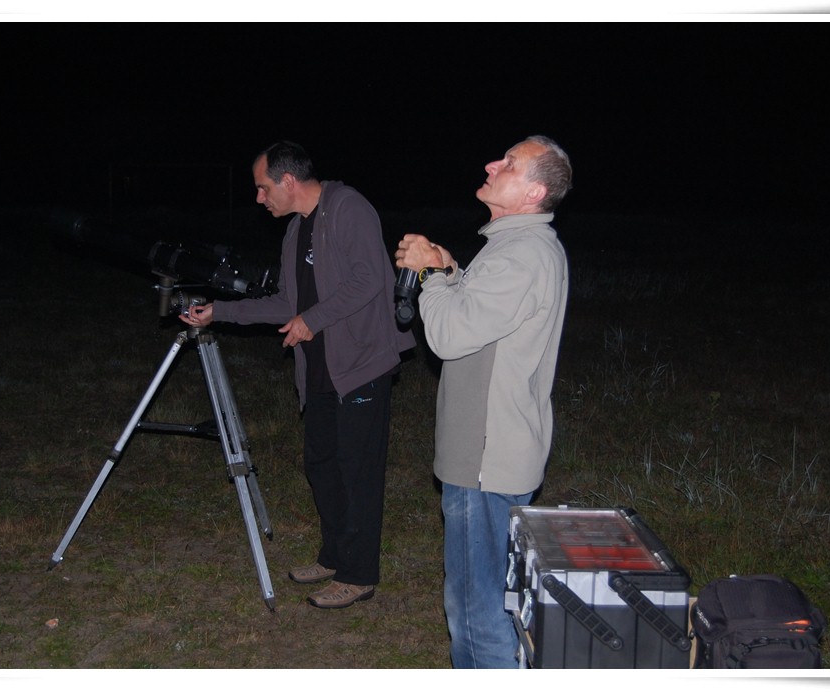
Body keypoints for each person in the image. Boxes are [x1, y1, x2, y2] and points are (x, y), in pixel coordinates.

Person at [180, 141, 415, 609]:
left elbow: (370, 278)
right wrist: (220, 311)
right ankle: (334, 557)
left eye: (263, 188)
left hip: (362, 364)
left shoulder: (348, 207)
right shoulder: (295, 231)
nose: (259, 198)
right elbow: (288, 303)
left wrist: (313, 319)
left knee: (357, 472)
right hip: (320, 369)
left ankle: (359, 575)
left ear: (288, 181)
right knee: (322, 465)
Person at [394, 135, 572, 667]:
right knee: (495, 596)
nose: (493, 165)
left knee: (477, 614)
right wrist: (450, 271)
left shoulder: (521, 254)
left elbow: (450, 336)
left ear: (534, 192)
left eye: (509, 164)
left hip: (484, 462)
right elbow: (482, 319)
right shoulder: (518, 247)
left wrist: (429, 276)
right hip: (496, 453)